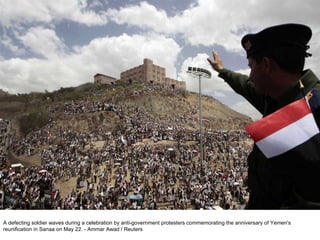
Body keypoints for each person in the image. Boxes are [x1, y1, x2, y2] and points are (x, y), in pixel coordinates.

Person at [207, 23, 320, 209]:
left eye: (251, 66)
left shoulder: (313, 108)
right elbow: (245, 85)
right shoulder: (277, 96)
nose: (250, 75)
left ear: (266, 65)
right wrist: (222, 71)